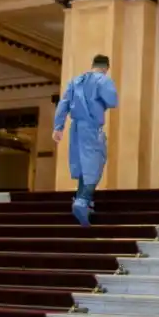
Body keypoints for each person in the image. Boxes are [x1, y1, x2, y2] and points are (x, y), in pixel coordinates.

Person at [52, 54, 118, 226]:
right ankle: (83, 200)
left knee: (83, 165)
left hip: (76, 127)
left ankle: (82, 200)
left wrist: (58, 127)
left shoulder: (75, 81)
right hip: (91, 127)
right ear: (106, 67)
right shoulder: (102, 80)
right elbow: (112, 101)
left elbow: (63, 104)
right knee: (95, 163)